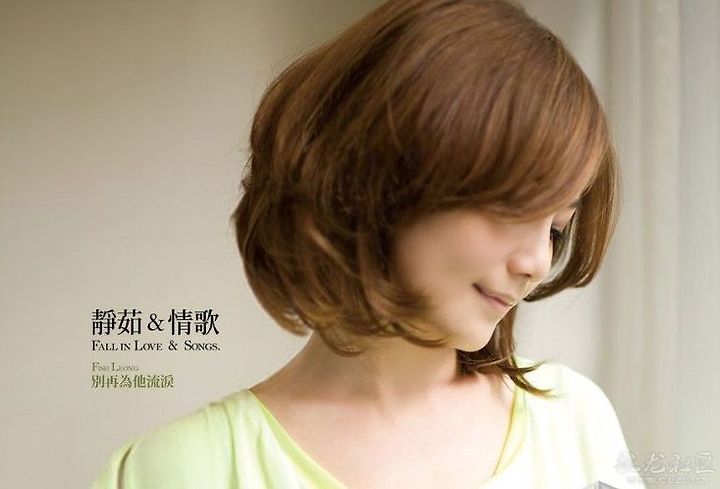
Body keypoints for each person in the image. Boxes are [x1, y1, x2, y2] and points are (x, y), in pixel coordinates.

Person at [92, 0, 647, 487]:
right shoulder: (182, 470)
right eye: (513, 209)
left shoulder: (576, 423)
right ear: (383, 175)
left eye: (556, 229)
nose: (537, 262)